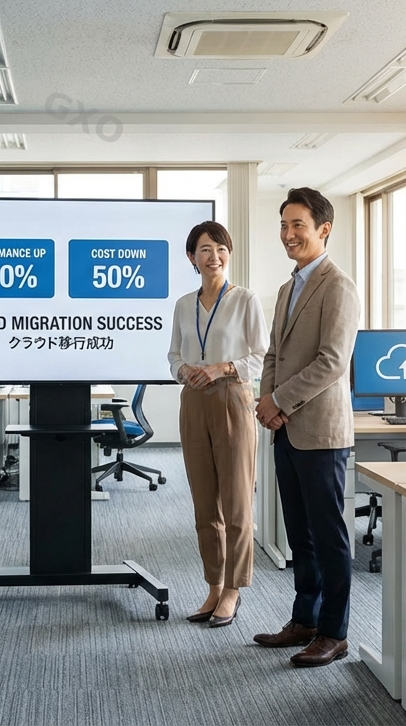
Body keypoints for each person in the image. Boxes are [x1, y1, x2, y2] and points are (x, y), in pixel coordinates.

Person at [253, 187, 361, 667]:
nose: (289, 234)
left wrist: (279, 400)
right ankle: (305, 619)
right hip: (286, 427)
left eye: (298, 225)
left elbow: (333, 362)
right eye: (283, 225)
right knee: (300, 533)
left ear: (323, 229)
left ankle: (334, 632)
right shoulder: (287, 287)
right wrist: (268, 403)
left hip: (320, 430)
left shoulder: (338, 285)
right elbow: (274, 354)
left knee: (329, 535)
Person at [167, 222, 268, 629]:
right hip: (193, 400)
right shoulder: (183, 304)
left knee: (237, 504)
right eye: (205, 250)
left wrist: (223, 367)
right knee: (204, 504)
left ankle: (233, 589)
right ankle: (213, 584)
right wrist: (184, 371)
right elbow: (173, 354)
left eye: (220, 248)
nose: (214, 256)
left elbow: (262, 356)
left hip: (232, 398)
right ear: (191, 257)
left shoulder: (245, 300)